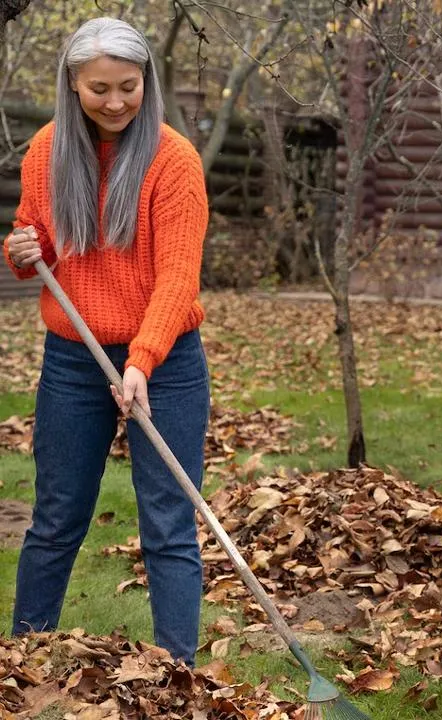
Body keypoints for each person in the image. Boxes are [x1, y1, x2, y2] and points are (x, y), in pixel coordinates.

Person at [2, 18, 209, 665]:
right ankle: (22, 661)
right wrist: (20, 250)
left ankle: (179, 674)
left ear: (146, 81)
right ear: (72, 85)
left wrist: (143, 359)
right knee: (56, 517)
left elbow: (178, 276)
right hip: (73, 358)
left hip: (166, 361)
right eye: (99, 89)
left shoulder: (173, 160)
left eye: (129, 86)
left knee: (169, 526)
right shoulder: (46, 150)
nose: (116, 102)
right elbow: (34, 241)